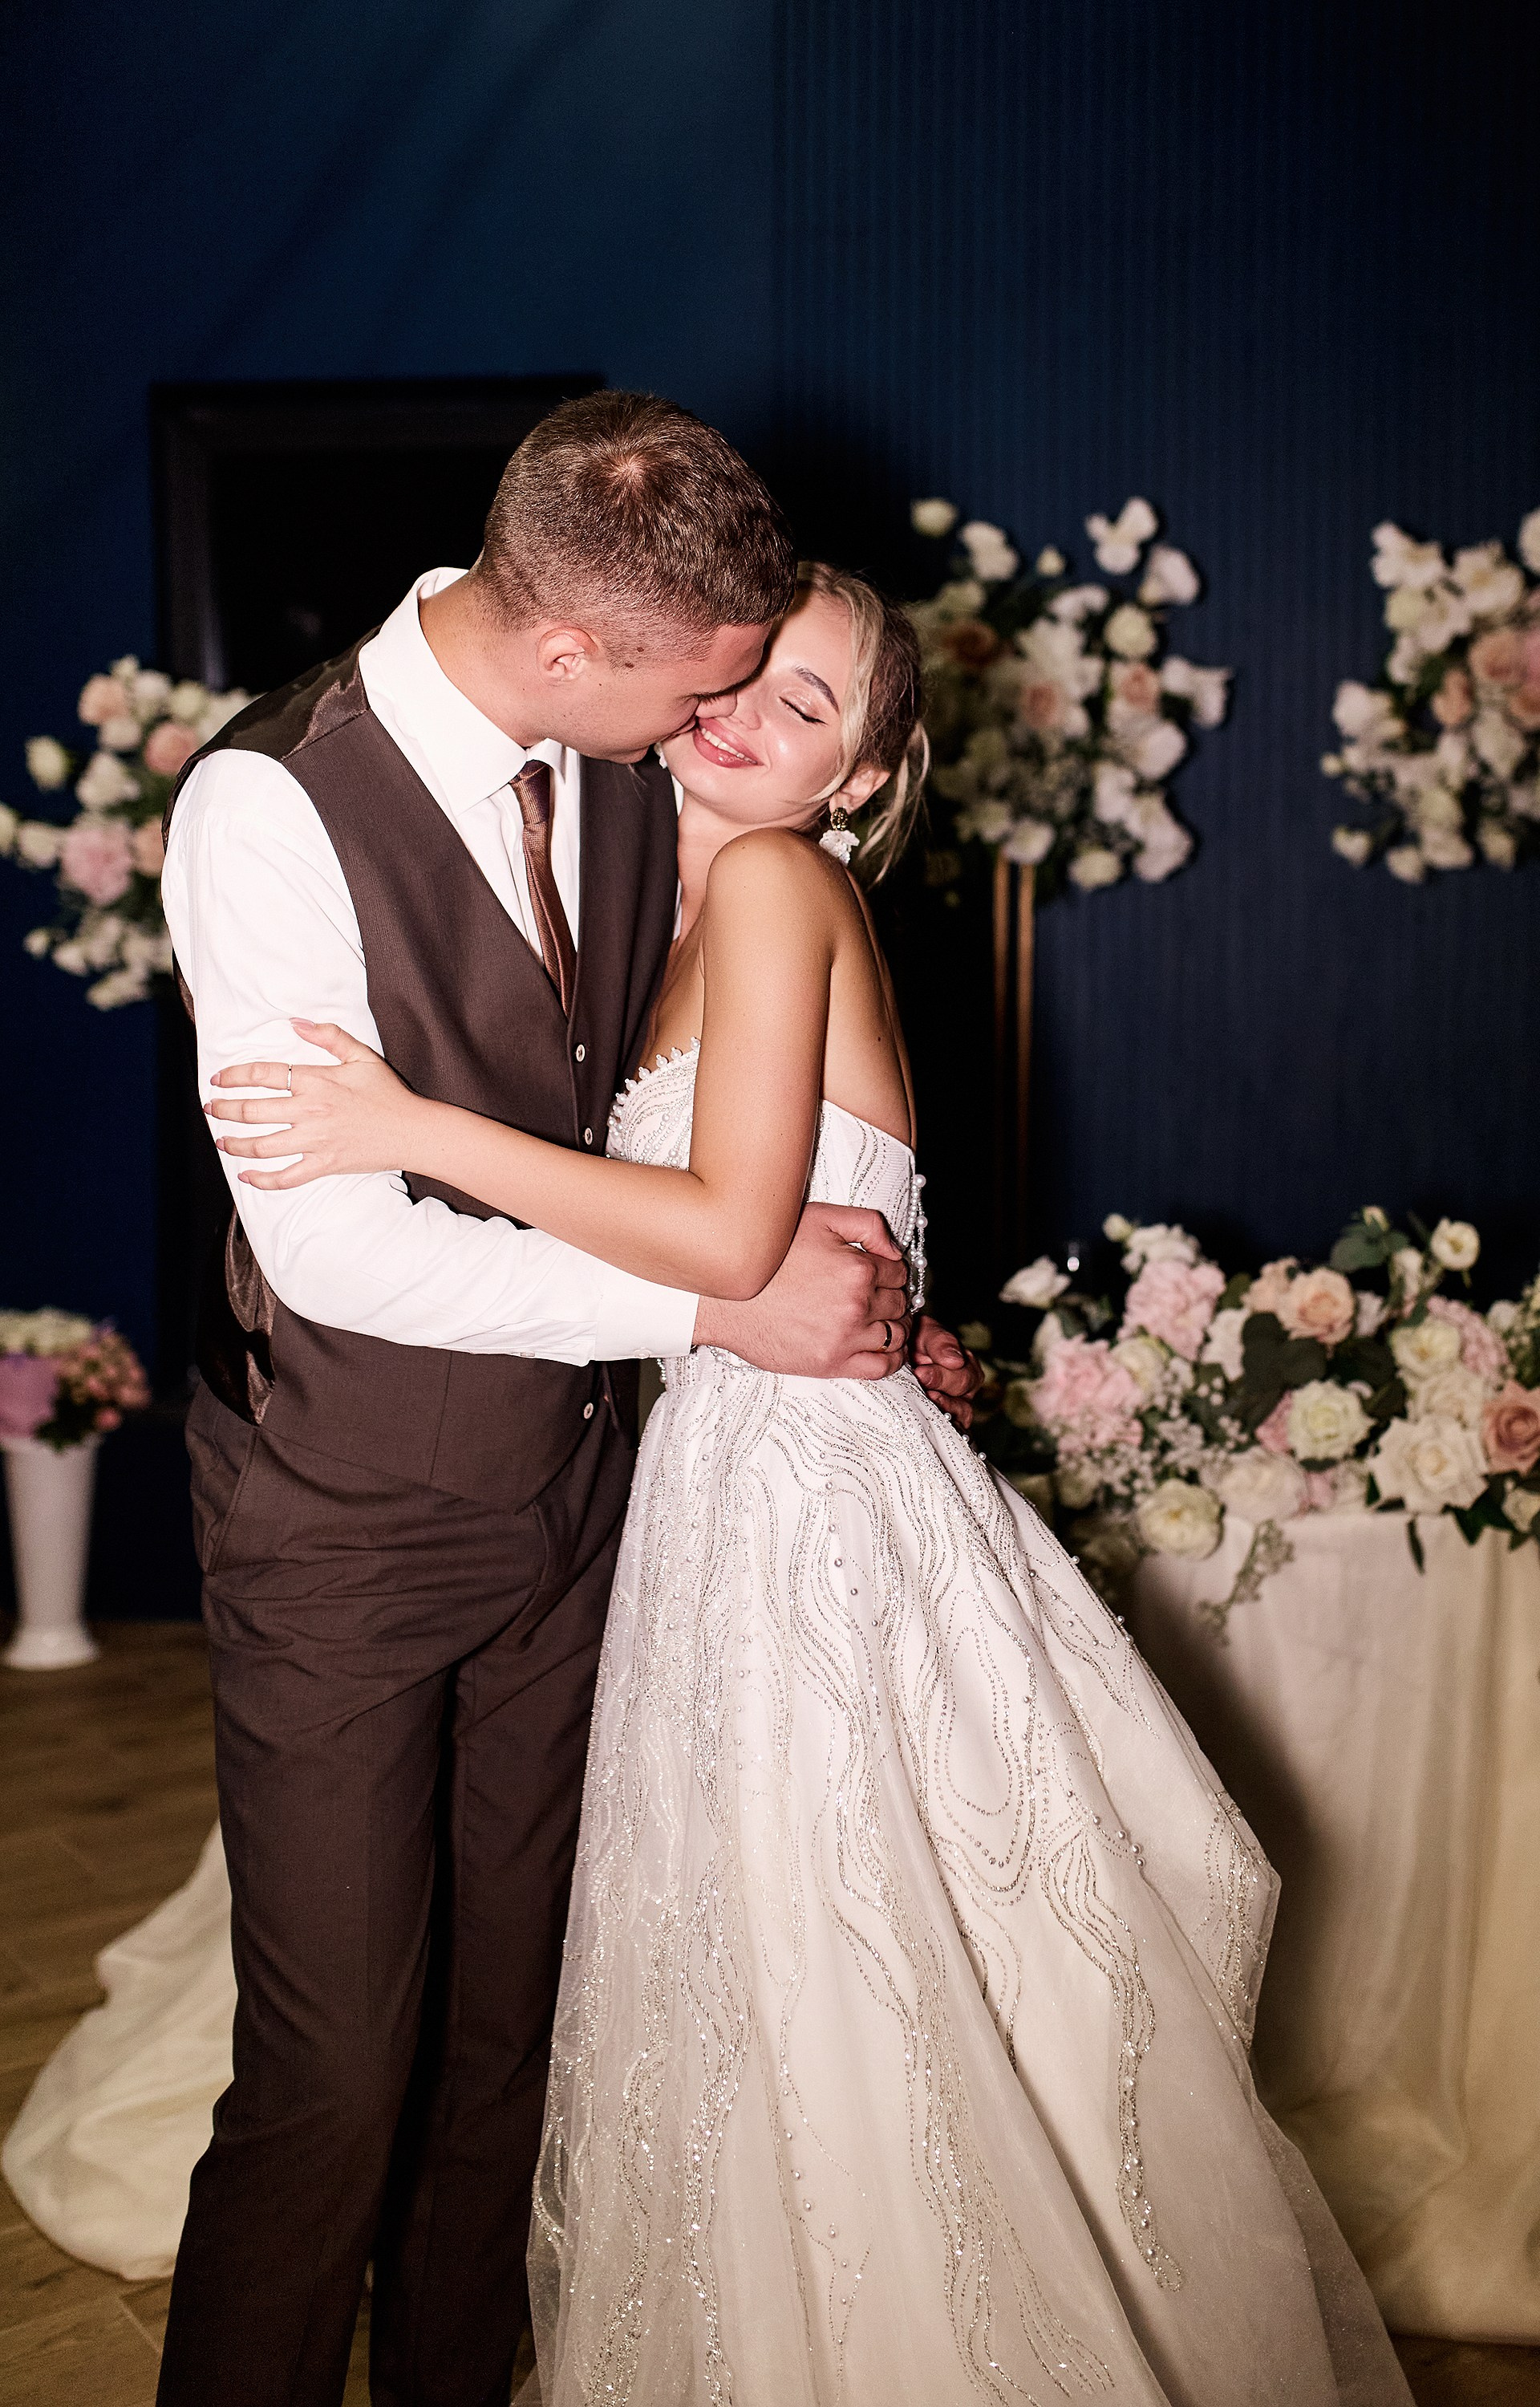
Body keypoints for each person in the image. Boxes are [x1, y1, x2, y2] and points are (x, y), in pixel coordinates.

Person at [210, 563, 1412, 2406]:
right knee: (743, 1999)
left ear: (859, 778)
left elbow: (726, 1233)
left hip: (801, 1515)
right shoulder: (652, 887)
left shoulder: (775, 883)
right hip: (702, 1487)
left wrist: (407, 1128)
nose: (749, 715)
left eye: (810, 706)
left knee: (832, 1991)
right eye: (749, 671)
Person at [106, 393, 977, 2407]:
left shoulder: (641, 749)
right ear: (577, 651)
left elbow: (741, 1107)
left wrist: (868, 1295)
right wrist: (721, 1316)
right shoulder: (271, 807)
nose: (714, 722)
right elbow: (336, 1250)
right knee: (333, 2075)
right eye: (703, 688)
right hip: (347, 1520)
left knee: (510, 2045)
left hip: (600, 1513)